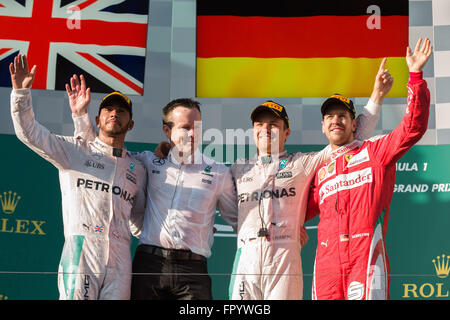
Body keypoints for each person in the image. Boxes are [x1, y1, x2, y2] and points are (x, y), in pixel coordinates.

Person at [229, 58, 394, 300]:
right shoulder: (236, 169)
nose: (266, 129)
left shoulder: (302, 162)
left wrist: (376, 97)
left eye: (274, 125)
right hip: (248, 255)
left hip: (284, 256)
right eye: (260, 124)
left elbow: (350, 138)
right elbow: (220, 201)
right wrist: (167, 151)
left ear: (286, 133)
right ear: (252, 130)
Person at [72, 96, 239, 300]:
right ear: (167, 131)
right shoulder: (146, 162)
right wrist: (81, 117)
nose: (193, 133)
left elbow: (240, 221)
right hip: (149, 265)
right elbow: (100, 152)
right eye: (185, 127)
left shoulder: (218, 172)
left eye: (197, 127)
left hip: (193, 269)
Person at [9, 55, 147, 300]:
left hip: (121, 258)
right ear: (98, 119)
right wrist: (21, 93)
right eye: (108, 109)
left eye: (121, 111)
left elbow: (139, 222)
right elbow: (29, 132)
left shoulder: (137, 168)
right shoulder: (75, 151)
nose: (114, 114)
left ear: (131, 123)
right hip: (82, 250)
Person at [305, 38, 432, 300]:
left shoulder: (374, 151)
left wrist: (415, 76)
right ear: (322, 126)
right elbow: (296, 210)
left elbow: (413, 128)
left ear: (354, 124)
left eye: (343, 116)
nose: (336, 121)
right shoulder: (319, 169)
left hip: (366, 257)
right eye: (329, 117)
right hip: (327, 266)